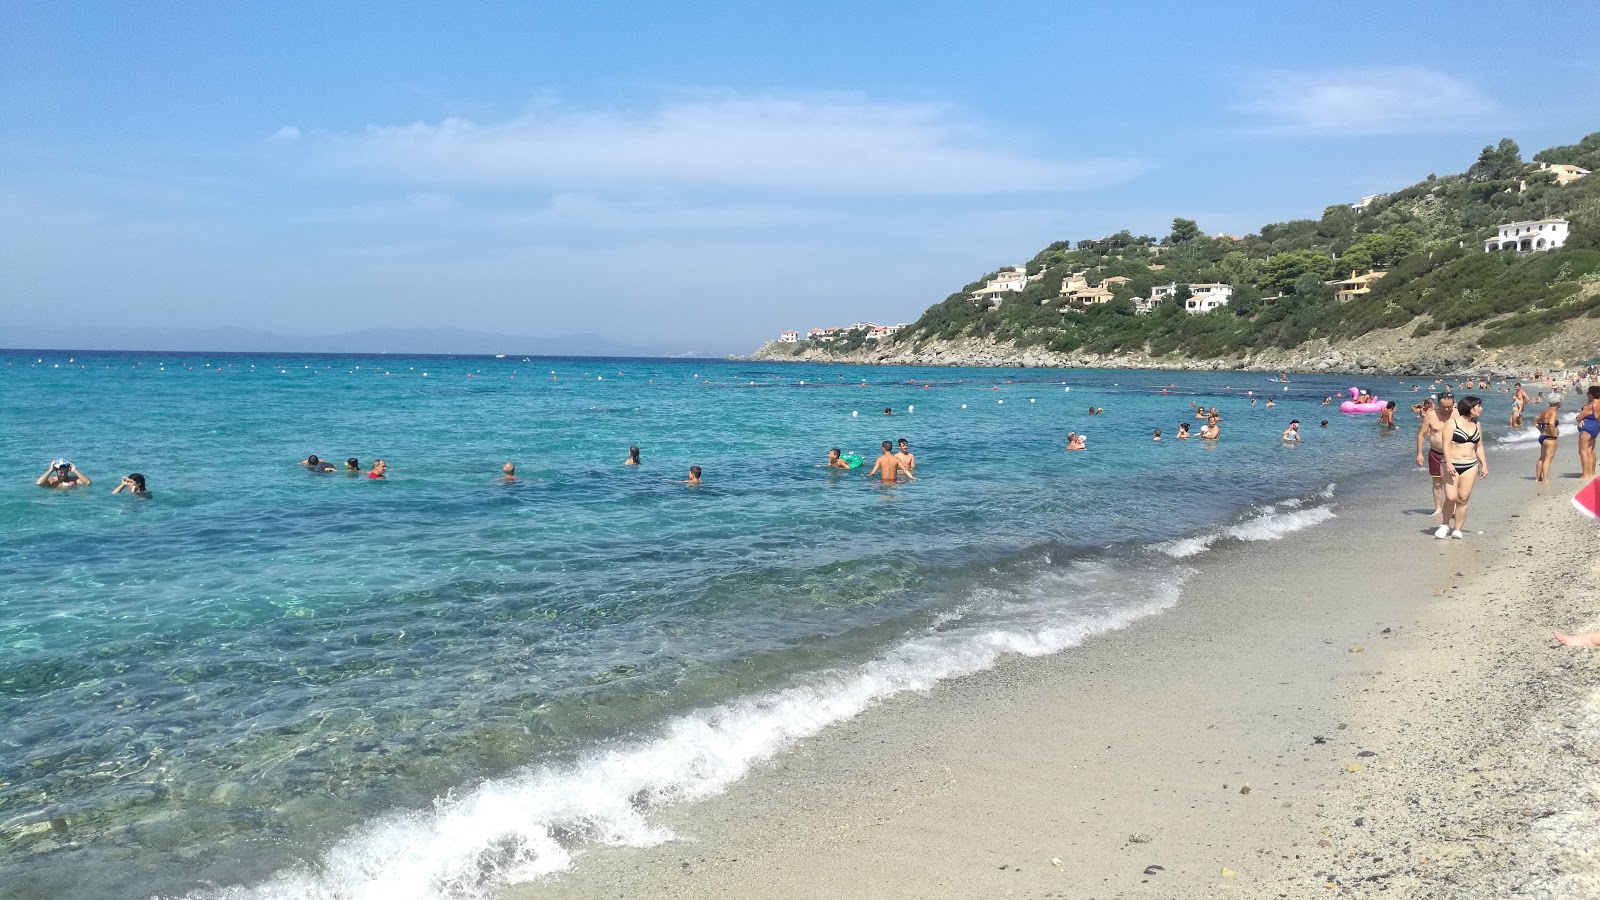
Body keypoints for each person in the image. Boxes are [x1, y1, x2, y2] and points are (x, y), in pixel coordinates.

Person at [1436, 396, 1487, 539]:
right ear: (1470, 407)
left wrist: (1484, 465)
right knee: (1451, 497)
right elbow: (1445, 445)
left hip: (1470, 465)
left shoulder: (1477, 424)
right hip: (1451, 464)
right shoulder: (1451, 423)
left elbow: (1479, 446)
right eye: (1478, 406)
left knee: (1463, 498)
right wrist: (1449, 463)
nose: (1481, 409)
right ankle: (1445, 524)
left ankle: (1457, 529)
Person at [1415, 392, 1455, 516]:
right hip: (1436, 453)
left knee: (1453, 482)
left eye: (1450, 406)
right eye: (1444, 407)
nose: (1447, 409)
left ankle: (1452, 509)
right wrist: (1419, 453)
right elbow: (1421, 435)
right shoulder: (1431, 415)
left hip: (1454, 454)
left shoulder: (1458, 414)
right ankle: (1438, 508)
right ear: (1438, 404)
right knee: (1437, 483)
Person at [1535, 395, 1562, 482]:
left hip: (1542, 436)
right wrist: (1554, 433)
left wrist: (1541, 430)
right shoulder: (1554, 411)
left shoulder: (1545, 410)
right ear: (1558, 403)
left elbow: (1536, 422)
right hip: (1550, 437)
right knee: (1548, 458)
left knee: (1542, 457)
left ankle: (1538, 478)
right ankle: (1546, 479)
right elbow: (1551, 423)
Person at [1577, 386, 1600, 480]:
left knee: (1583, 451)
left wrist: (1579, 420)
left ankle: (1585, 474)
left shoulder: (1590, 406)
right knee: (1591, 450)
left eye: (1588, 393)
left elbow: (1579, 417)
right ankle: (1591, 471)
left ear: (1591, 394)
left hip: (1587, 428)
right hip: (1596, 426)